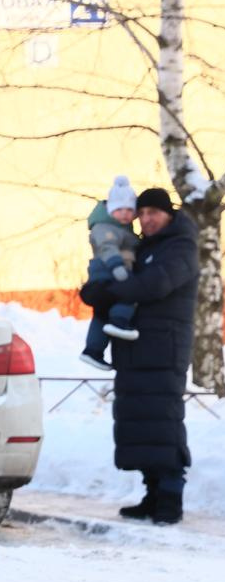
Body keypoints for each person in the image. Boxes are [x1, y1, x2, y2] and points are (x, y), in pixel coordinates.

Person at [80, 186, 197, 525]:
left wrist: (108, 292)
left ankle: (170, 499)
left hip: (164, 349)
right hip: (134, 348)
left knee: (163, 423)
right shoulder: (142, 246)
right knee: (139, 424)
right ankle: (152, 494)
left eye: (153, 213)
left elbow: (154, 285)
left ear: (168, 215)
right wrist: (94, 290)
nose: (146, 219)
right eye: (141, 213)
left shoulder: (180, 247)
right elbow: (117, 273)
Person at [79, 176, 141, 370]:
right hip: (109, 271)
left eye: (130, 210)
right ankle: (120, 321)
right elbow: (107, 248)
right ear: (110, 209)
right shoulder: (105, 227)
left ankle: (93, 350)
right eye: (120, 209)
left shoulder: (122, 229)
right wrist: (117, 267)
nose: (125, 214)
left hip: (110, 271)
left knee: (101, 314)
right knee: (131, 293)